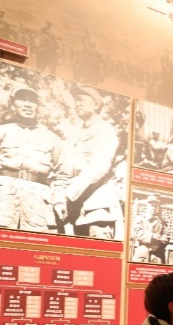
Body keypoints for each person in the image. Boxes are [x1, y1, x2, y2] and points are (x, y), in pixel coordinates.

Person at [0, 83, 68, 232]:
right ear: (13, 104)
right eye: (22, 99)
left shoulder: (53, 139)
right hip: (0, 203)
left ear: (38, 106)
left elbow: (62, 177)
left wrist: (59, 200)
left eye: (32, 101)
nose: (28, 104)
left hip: (37, 207)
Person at [53, 85, 122, 239]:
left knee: (98, 249)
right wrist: (60, 196)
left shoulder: (105, 130)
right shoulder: (77, 133)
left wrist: (68, 194)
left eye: (81, 100)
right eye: (75, 101)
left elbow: (99, 168)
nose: (77, 104)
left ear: (96, 105)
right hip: (77, 208)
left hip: (97, 206)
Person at [132, 194, 169, 264]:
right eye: (151, 205)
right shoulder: (140, 219)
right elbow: (137, 233)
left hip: (157, 254)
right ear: (147, 206)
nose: (154, 208)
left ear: (158, 208)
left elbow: (167, 236)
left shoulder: (163, 222)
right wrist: (152, 236)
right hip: (143, 252)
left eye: (156, 206)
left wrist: (160, 242)